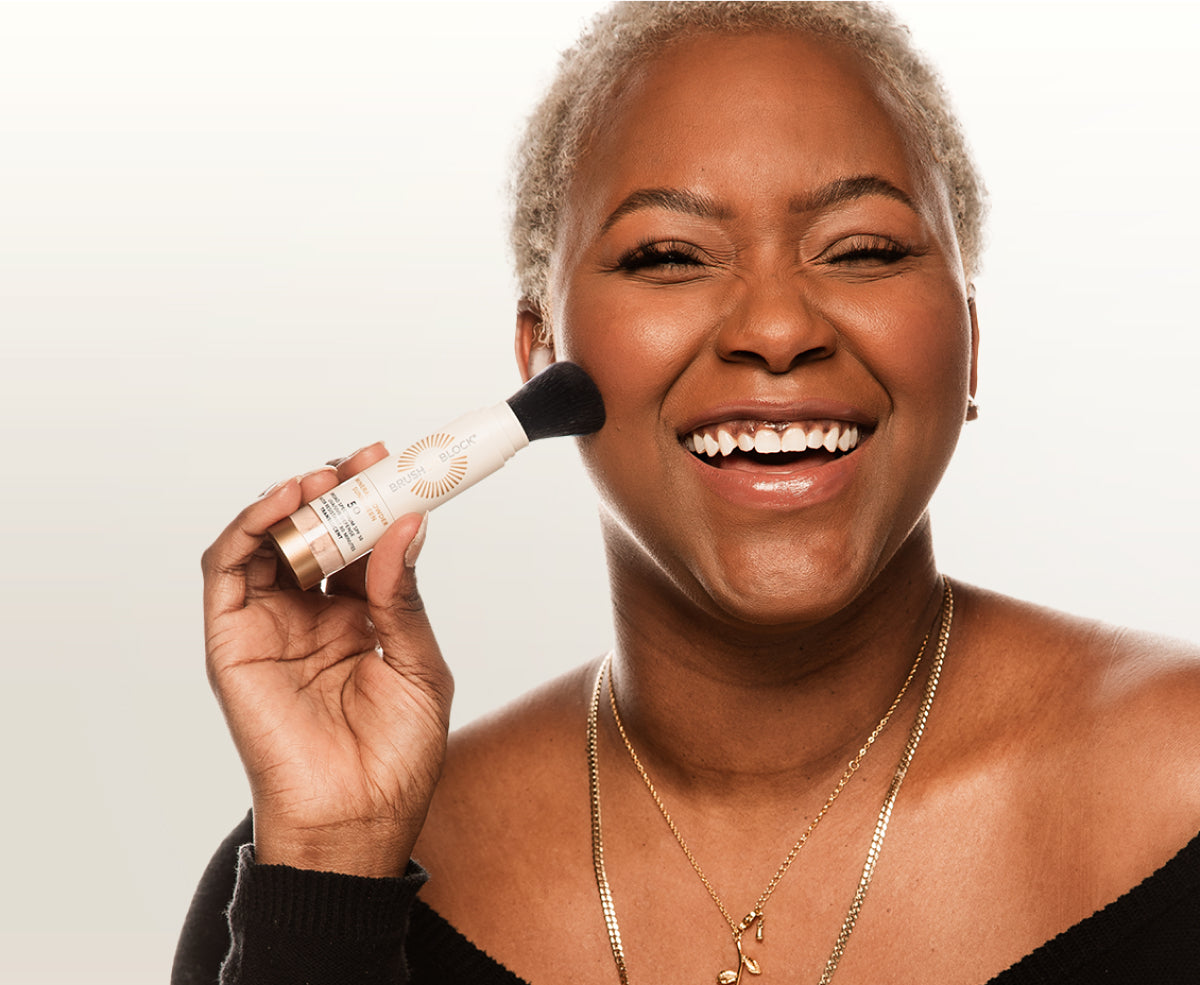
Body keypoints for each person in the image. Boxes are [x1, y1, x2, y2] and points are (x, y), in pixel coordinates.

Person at [174, 3, 1200, 983]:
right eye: (669, 257)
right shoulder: (305, 865)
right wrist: (332, 870)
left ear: (969, 342)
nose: (778, 328)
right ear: (542, 357)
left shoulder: (1180, 784)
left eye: (864, 250)